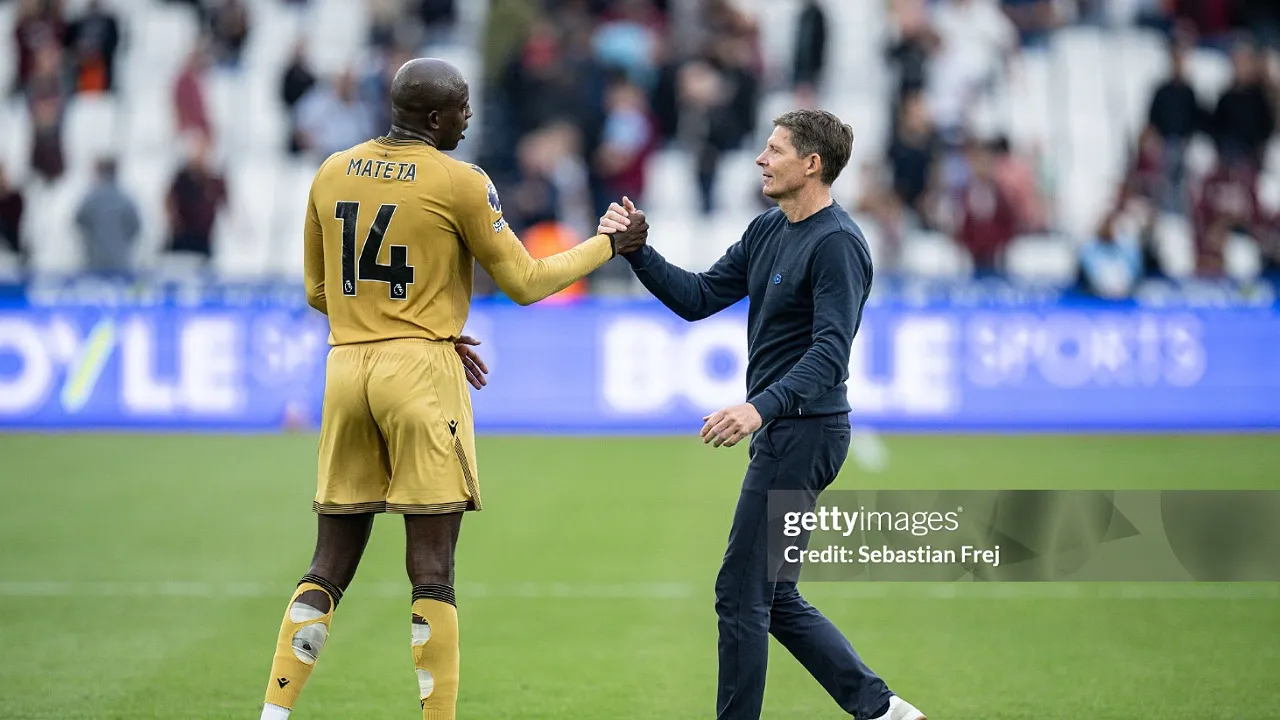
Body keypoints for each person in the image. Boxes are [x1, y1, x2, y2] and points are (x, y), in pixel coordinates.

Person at [256, 57, 649, 720]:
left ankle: (274, 712)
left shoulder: (331, 171)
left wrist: (398, 323)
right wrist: (610, 245)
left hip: (346, 369)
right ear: (435, 117)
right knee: (432, 570)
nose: (469, 119)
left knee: (327, 564)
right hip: (420, 377)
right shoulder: (460, 180)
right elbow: (525, 283)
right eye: (462, 108)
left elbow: (319, 291)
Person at [598, 109, 926, 720]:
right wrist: (638, 252)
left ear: (812, 164)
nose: (760, 159)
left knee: (740, 593)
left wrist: (759, 407)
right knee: (772, 597)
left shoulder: (837, 244)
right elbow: (699, 297)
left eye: (775, 149)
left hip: (806, 433)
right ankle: (883, 711)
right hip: (788, 430)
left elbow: (830, 353)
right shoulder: (769, 228)